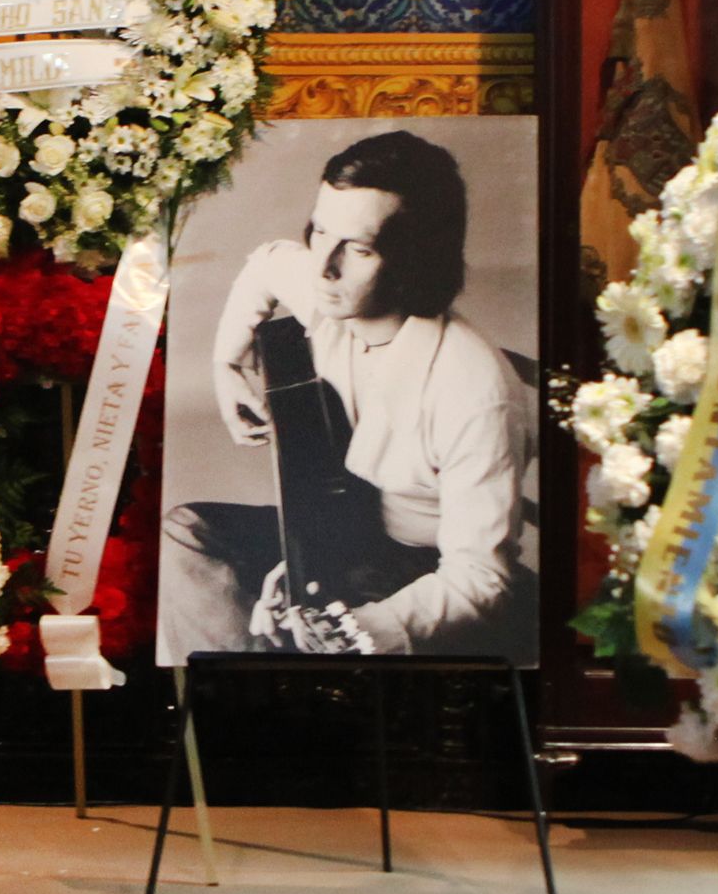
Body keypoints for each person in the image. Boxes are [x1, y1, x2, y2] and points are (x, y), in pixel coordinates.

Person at [164, 128, 534, 659]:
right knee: (188, 532)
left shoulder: (473, 390)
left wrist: (361, 627)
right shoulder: (329, 292)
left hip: (422, 570)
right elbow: (267, 263)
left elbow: (481, 579)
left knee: (297, 636)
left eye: (358, 249)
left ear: (414, 260)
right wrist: (227, 362)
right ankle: (254, 689)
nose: (323, 266)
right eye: (319, 233)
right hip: (347, 527)